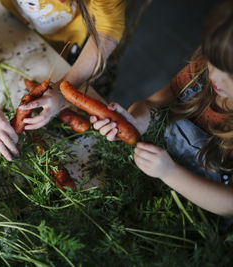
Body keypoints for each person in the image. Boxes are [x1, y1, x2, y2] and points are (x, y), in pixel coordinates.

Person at [93, 0, 233, 218]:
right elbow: (152, 104)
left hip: (195, 221)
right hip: (151, 182)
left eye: (229, 75)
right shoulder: (200, 72)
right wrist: (136, 121)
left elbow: (228, 203)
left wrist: (169, 172)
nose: (214, 76)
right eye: (213, 61)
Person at [0, 0, 126, 160]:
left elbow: (108, 28)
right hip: (20, 24)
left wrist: (64, 90)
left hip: (85, 50)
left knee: (99, 104)